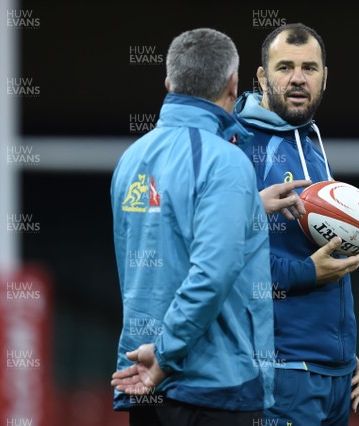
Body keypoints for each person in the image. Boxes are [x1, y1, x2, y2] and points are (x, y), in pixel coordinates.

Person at [109, 28, 275, 426]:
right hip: (212, 389)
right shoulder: (228, 162)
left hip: (143, 383)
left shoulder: (130, 160)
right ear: (233, 84)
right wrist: (167, 354)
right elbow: (211, 273)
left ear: (168, 82)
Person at [234, 23, 359, 425]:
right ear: (261, 77)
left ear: (325, 77)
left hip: (334, 376)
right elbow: (221, 260)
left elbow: (311, 254)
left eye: (309, 68)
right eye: (285, 67)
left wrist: (343, 350)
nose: (297, 78)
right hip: (280, 371)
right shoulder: (237, 147)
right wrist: (307, 273)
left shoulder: (311, 146)